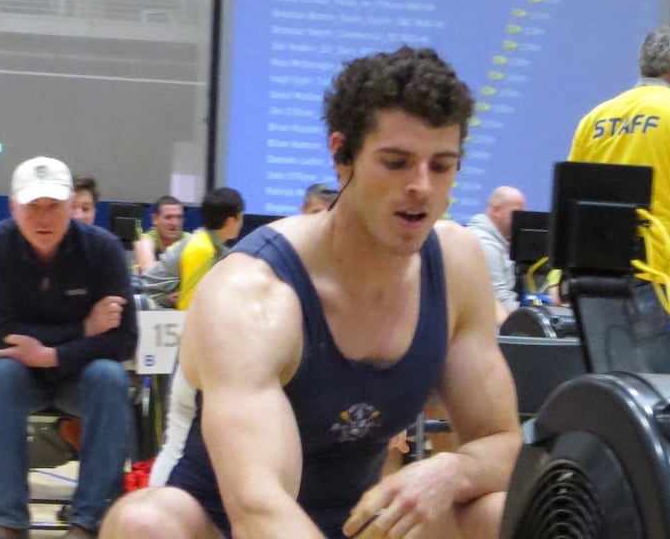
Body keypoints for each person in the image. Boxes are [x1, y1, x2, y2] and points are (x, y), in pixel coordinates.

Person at [99, 46, 521, 539]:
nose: (422, 187)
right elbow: (258, 507)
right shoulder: (251, 294)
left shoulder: (454, 264)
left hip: (354, 523)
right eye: (397, 162)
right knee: (141, 524)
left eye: (442, 165)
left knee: (501, 512)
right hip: (231, 526)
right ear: (342, 157)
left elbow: (503, 442)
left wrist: (450, 472)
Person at [0, 156, 137, 539]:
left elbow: (125, 339)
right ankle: (6, 520)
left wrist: (51, 354)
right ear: (13, 207)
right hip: (18, 378)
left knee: (110, 375)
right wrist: (85, 327)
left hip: (80, 379)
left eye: (54, 207)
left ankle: (89, 520)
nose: (43, 218)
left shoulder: (104, 250)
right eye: (33, 207)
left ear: (71, 206)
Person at [567, 25, 670, 370]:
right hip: (654, 281)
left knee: (616, 394)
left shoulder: (593, 119)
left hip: (595, 284)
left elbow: (572, 199)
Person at [174, 187, 244, 311]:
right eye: (241, 217)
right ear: (230, 221)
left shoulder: (217, 248)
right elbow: (188, 306)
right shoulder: (201, 248)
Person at [466, 186, 526, 326]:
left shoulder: (498, 241)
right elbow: (498, 298)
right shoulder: (485, 244)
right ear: (495, 210)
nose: (521, 219)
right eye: (516, 213)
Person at [134, 195, 187, 273]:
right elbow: (148, 271)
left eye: (179, 217)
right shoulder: (145, 241)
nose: (174, 223)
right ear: (155, 219)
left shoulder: (190, 240)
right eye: (168, 217)